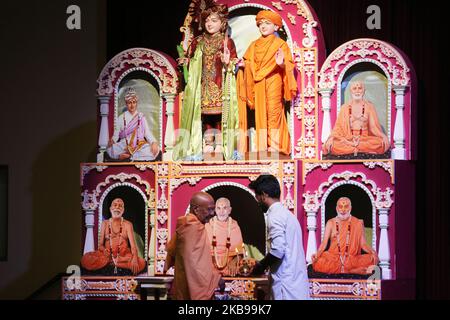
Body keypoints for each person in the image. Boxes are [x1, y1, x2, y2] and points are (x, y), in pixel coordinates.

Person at [173, 2, 240, 161]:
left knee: (220, 115)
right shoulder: (198, 41)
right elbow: (190, 61)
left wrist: (228, 62)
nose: (210, 24)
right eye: (207, 21)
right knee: (203, 116)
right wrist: (185, 63)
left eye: (214, 20)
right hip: (202, 86)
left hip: (220, 86)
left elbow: (234, 64)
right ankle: (206, 142)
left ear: (222, 23)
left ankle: (221, 144)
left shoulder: (227, 42)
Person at [237, 10, 297, 156]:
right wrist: (244, 65)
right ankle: (263, 144)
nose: (263, 26)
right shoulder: (254, 44)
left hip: (273, 80)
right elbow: (248, 61)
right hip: (258, 83)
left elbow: (289, 65)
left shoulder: (280, 44)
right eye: (260, 24)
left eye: (267, 23)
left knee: (273, 112)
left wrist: (281, 64)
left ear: (276, 27)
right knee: (261, 112)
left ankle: (276, 144)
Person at [248, 174, 309, 300]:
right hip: (296, 282)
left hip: (286, 286)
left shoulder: (274, 216)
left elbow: (278, 250)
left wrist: (261, 266)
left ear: (264, 195)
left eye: (257, 198)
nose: (258, 202)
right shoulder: (288, 215)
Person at [164, 192, 222, 300]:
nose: (213, 213)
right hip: (193, 288)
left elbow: (172, 251)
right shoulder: (191, 227)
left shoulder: (188, 224)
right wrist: (215, 276)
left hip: (184, 284)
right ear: (196, 210)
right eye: (209, 209)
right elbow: (193, 264)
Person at [312, 197, 379, 275]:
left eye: (346, 206)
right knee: (319, 261)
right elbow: (324, 243)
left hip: (352, 258)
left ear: (350, 208)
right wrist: (317, 254)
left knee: (371, 258)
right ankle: (352, 270)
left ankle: (347, 269)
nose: (343, 210)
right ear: (337, 208)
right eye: (340, 207)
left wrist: (372, 252)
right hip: (334, 257)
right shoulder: (330, 222)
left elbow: (363, 244)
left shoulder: (358, 223)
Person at [323, 80, 390, 156]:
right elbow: (338, 127)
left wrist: (383, 136)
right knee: (334, 144)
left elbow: (374, 127)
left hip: (364, 139)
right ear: (351, 91)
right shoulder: (344, 108)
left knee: (379, 142)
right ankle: (358, 148)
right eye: (354, 88)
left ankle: (354, 148)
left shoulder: (369, 107)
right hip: (348, 139)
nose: (357, 91)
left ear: (364, 90)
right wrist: (332, 137)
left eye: (360, 88)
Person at [81, 198, 146, 275]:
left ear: (123, 210)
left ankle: (113, 264)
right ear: (110, 208)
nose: (117, 207)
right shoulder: (105, 223)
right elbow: (101, 245)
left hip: (123, 257)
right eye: (115, 205)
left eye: (120, 206)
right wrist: (104, 251)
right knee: (86, 259)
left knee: (141, 262)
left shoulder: (128, 224)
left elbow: (133, 246)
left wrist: (134, 259)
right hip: (107, 257)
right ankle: (113, 263)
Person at [106, 88, 159, 161]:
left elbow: (147, 133)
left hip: (139, 145)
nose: (132, 105)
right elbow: (116, 134)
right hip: (124, 145)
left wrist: (153, 142)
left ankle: (129, 156)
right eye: (129, 103)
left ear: (136, 103)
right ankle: (131, 156)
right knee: (110, 150)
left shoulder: (141, 117)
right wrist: (112, 141)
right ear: (126, 104)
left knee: (153, 150)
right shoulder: (121, 117)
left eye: (134, 102)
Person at [205, 197, 244, 276]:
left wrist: (234, 261)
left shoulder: (234, 226)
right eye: (219, 208)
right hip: (210, 265)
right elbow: (201, 251)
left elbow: (240, 252)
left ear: (229, 210)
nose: (221, 212)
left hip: (230, 267)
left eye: (225, 208)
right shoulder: (208, 226)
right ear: (215, 210)